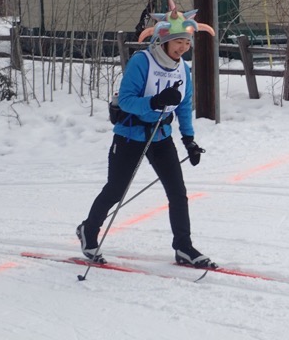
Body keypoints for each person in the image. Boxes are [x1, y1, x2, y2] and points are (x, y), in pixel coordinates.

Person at [77, 15, 217, 269]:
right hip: (130, 134)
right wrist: (154, 102)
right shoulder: (142, 61)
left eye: (186, 42)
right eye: (177, 42)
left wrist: (189, 140)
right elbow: (127, 100)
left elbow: (184, 105)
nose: (182, 47)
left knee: (178, 193)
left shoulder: (182, 67)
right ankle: (88, 230)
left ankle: (183, 247)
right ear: (163, 40)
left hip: (161, 137)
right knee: (116, 190)